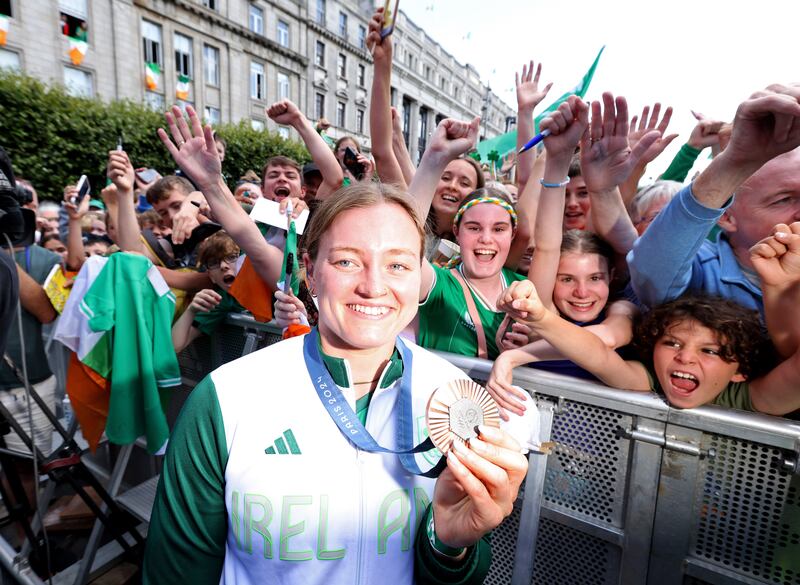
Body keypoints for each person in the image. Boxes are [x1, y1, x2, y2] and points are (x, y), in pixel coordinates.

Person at [144, 101, 527, 583]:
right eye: (347, 261)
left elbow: (458, 572)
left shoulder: (455, 397)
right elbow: (174, 574)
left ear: (422, 275)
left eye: (399, 265)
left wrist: (447, 545)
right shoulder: (225, 400)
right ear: (310, 270)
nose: (373, 285)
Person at [627, 83, 800, 337]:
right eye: (784, 199)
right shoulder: (702, 272)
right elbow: (652, 277)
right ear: (727, 217)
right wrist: (733, 163)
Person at [494, 277, 799, 416]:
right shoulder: (649, 380)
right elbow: (599, 355)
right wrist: (541, 318)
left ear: (740, 370)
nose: (685, 357)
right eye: (671, 342)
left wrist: (780, 287)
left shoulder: (752, 399)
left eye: (709, 351)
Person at [170, 231, 244, 352]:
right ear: (211, 276)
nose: (223, 266)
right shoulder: (220, 300)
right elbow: (174, 347)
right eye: (214, 263)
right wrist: (191, 310)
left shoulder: (272, 283)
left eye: (231, 257)